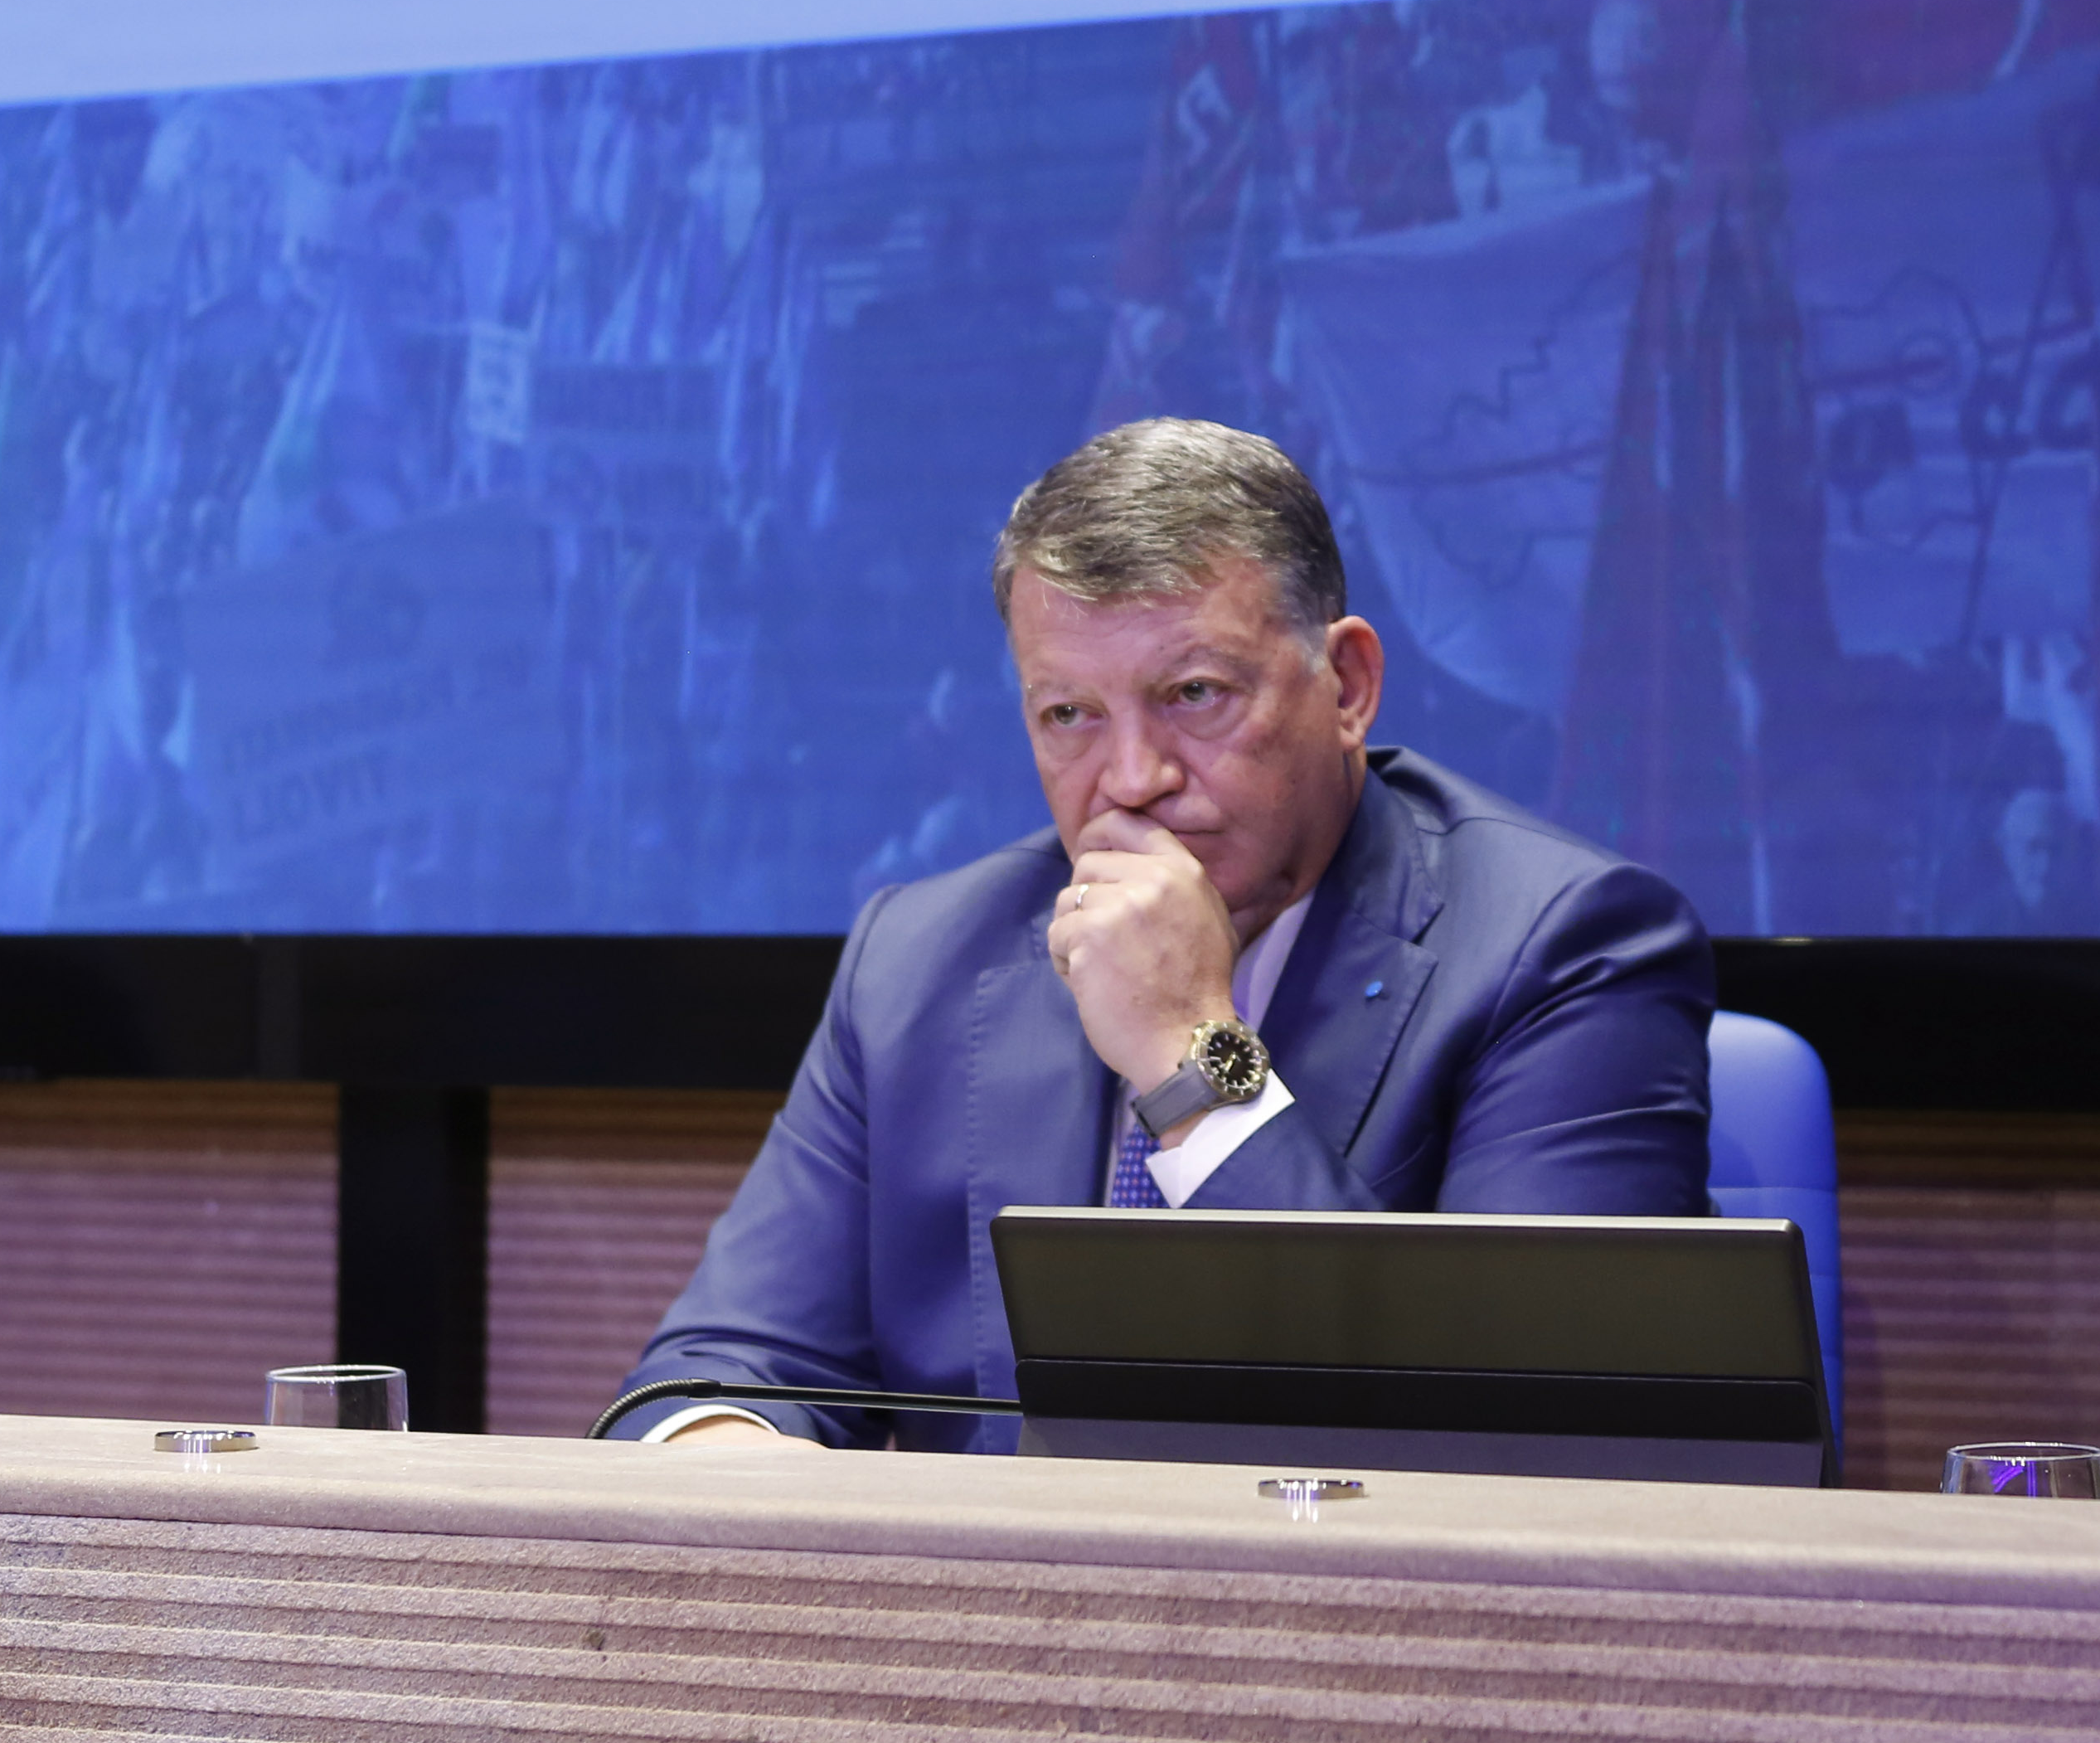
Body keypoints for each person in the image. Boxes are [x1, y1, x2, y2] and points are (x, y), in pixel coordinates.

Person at [623, 418, 1714, 1445]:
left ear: (1347, 686)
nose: (1133, 779)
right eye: (1070, 715)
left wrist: (1193, 1060)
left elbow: (1535, 1435)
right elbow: (711, 1377)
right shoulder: (919, 960)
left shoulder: (1565, 948)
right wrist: (726, 1458)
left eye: (1194, 694)